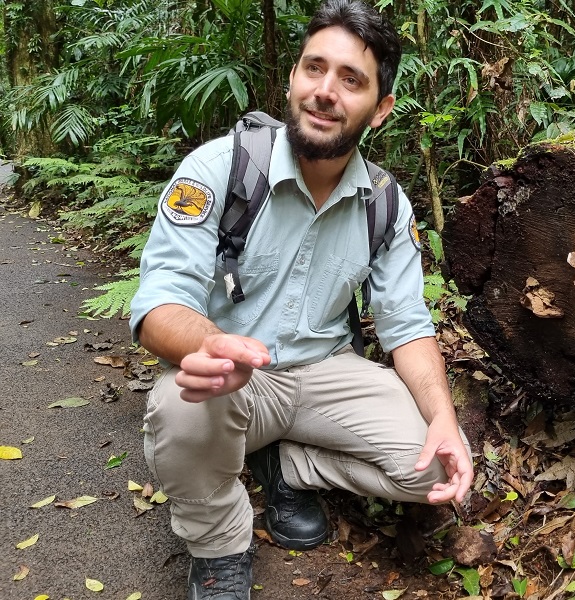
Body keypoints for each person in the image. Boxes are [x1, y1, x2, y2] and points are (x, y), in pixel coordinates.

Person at [129, 1, 474, 597]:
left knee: (441, 465)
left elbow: (407, 326)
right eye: (314, 68)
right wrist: (211, 342)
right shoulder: (221, 169)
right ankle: (219, 548)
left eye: (351, 79)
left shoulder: (386, 206)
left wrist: (443, 416)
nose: (325, 91)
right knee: (181, 412)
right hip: (236, 377)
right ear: (293, 78)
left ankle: (288, 465)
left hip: (327, 371)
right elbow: (159, 301)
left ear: (380, 109)